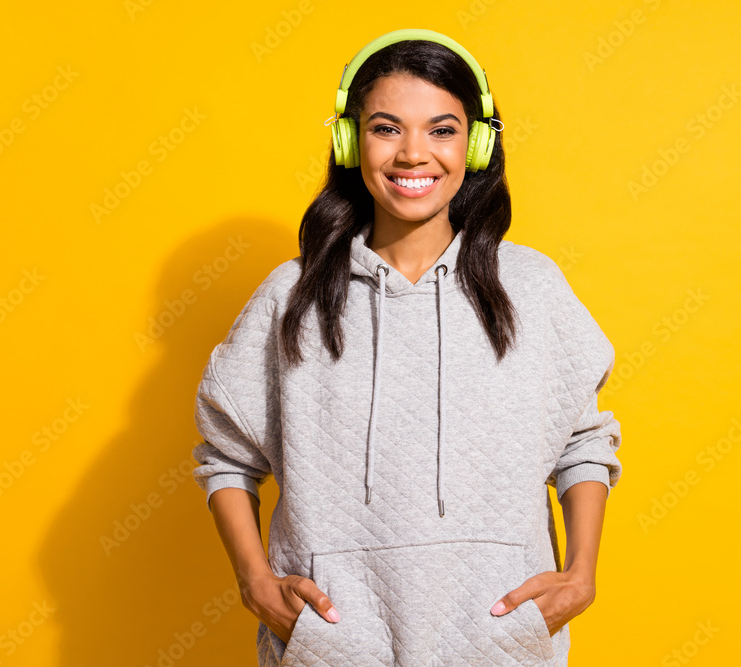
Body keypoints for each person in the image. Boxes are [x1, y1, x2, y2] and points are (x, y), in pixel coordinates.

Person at [191, 28, 623, 666]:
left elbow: (584, 441)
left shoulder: (531, 286)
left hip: (499, 644)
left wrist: (580, 575)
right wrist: (257, 585)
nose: (413, 154)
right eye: (386, 128)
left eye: (442, 130)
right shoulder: (292, 296)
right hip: (334, 648)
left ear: (475, 145)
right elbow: (226, 457)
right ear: (350, 141)